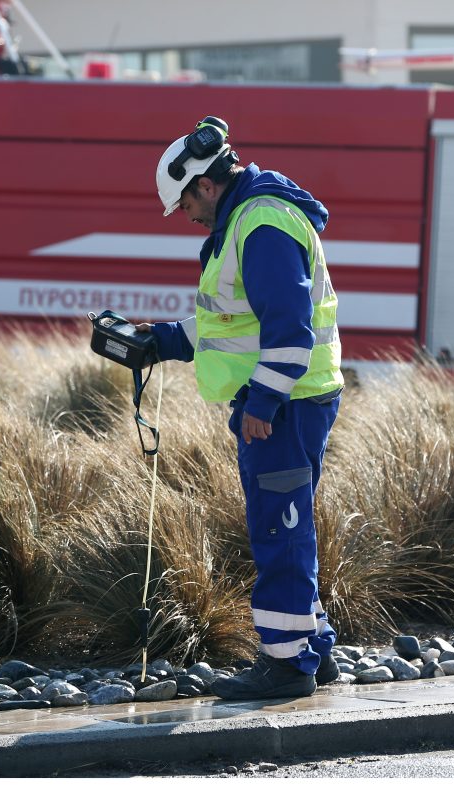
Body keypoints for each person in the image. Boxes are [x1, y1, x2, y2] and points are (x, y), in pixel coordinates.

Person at [139, 117, 343, 700]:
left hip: (285, 405)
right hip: (290, 400)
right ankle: (313, 650)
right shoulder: (252, 218)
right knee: (289, 525)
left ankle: (286, 667)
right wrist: (159, 339)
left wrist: (264, 400)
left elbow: (290, 329)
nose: (188, 219)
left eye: (184, 205)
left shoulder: (261, 225)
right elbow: (230, 324)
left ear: (204, 184)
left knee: (280, 531)